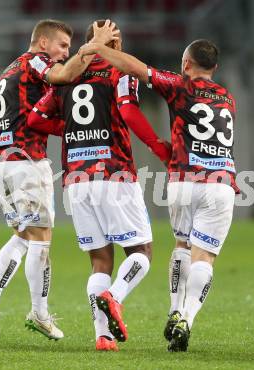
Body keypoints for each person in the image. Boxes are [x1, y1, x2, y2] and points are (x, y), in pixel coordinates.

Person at [79, 38, 238, 352]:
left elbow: (137, 69)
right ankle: (186, 319)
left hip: (182, 181)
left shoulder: (179, 85)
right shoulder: (228, 97)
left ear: (186, 64)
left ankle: (174, 309)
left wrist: (101, 49)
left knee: (182, 245)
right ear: (215, 69)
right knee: (205, 257)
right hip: (221, 182)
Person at [28, 20, 171, 351]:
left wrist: (72, 131)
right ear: (104, 42)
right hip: (114, 173)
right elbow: (128, 110)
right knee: (142, 251)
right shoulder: (121, 73)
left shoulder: (68, 75)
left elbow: (35, 119)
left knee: (100, 260)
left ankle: (103, 336)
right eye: (114, 39)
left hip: (76, 178)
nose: (117, 45)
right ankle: (115, 295)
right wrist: (155, 145)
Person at [0, 19, 118, 340]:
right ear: (43, 43)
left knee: (24, 236)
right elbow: (65, 75)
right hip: (24, 159)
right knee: (41, 239)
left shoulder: (11, 68)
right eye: (62, 46)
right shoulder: (36, 61)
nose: (66, 52)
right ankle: (39, 313)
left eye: (69, 46)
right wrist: (92, 47)